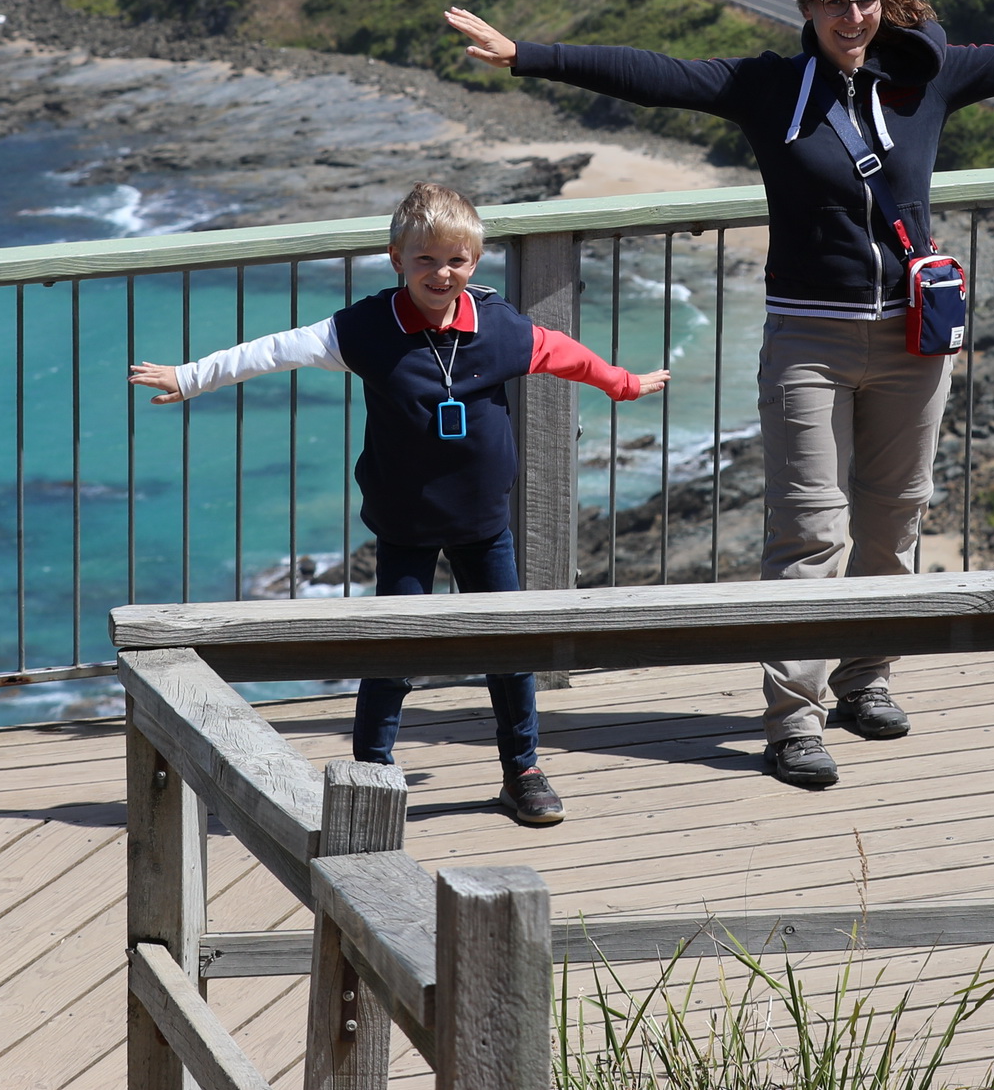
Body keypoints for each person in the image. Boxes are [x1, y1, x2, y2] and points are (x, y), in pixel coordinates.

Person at [445, 0, 994, 790]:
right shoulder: (770, 89)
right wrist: (528, 55)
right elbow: (653, 75)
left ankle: (866, 679)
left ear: (882, 1)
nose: (853, 17)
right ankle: (792, 722)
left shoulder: (927, 78)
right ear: (808, 8)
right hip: (808, 340)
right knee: (810, 531)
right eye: (835, 4)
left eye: (865, 1)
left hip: (912, 340)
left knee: (895, 520)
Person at [132, 180, 667, 828]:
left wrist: (624, 383)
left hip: (484, 523)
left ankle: (522, 769)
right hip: (405, 525)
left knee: (512, 645)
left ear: (475, 261)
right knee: (392, 650)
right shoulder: (367, 329)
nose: (441, 274)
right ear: (396, 259)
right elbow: (274, 350)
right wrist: (190, 378)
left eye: (456, 260)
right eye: (425, 260)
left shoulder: (497, 325)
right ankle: (372, 774)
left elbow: (566, 354)